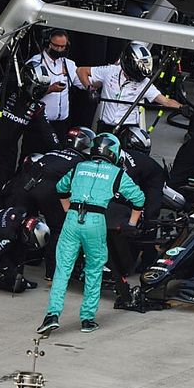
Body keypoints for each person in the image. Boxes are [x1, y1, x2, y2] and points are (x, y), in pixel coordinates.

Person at [37, 133, 145, 335]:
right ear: (114, 153)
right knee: (94, 269)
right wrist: (131, 223)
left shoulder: (79, 166)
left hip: (72, 219)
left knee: (62, 270)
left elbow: (60, 188)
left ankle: (51, 315)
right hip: (96, 221)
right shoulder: (116, 173)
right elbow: (139, 199)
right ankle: (87, 319)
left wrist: (68, 209)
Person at [0, 127, 94, 279]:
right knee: (58, 229)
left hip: (25, 187)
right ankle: (52, 273)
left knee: (21, 225)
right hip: (49, 190)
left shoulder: (51, 153)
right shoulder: (81, 162)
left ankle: (14, 270)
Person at [0, 61, 59, 227]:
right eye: (37, 87)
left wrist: (62, 152)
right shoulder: (7, 90)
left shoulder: (36, 107)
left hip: (8, 154)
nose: (39, 92)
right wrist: (12, 80)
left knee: (1, 192)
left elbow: (47, 132)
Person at [109, 126, 167, 310]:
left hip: (153, 180)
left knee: (149, 217)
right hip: (137, 181)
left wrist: (136, 221)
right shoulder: (114, 159)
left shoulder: (127, 167)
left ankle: (149, 261)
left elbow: (134, 198)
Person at [76, 41, 183, 133]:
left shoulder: (145, 83)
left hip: (128, 129)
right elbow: (81, 71)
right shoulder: (110, 71)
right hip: (105, 126)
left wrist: (183, 108)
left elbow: (165, 101)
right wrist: (90, 89)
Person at [29, 29, 85, 138]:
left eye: (62, 47)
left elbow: (83, 83)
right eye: (56, 46)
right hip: (39, 123)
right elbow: (28, 92)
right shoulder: (35, 63)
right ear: (47, 43)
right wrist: (50, 89)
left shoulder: (69, 64)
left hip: (61, 124)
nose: (59, 49)